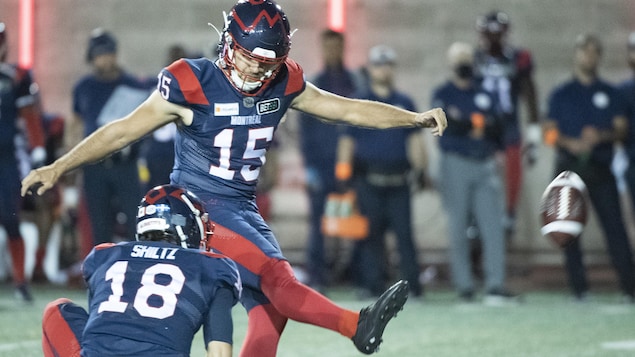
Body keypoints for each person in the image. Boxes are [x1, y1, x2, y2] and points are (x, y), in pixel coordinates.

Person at [22, 1, 446, 355]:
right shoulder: (192, 80)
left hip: (241, 207)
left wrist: (412, 118)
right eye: (247, 57)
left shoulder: (284, 80)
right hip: (197, 209)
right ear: (228, 43)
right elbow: (121, 130)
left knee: (271, 307)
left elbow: (348, 108)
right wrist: (59, 166)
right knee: (278, 281)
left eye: (266, 63)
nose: (255, 71)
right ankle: (357, 325)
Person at [41, 184, 241, 357]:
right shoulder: (212, 266)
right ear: (187, 224)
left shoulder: (105, 256)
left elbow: (96, 328)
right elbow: (219, 351)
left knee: (57, 309)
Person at [544, 33, 635, 302]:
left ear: (600, 57)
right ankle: (579, 288)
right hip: (568, 170)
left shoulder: (611, 93)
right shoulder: (561, 94)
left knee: (614, 228)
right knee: (567, 229)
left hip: (600, 167)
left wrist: (600, 137)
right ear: (576, 54)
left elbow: (621, 131)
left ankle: (629, 287)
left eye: (594, 52)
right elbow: (548, 132)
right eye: (584, 51)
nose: (589, 56)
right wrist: (568, 142)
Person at [431, 42, 519, 304]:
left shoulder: (485, 91)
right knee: (458, 225)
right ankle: (465, 285)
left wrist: (467, 123)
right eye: (459, 58)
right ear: (450, 62)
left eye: (468, 57)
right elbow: (449, 126)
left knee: (493, 226)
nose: (464, 62)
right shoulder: (443, 93)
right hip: (455, 163)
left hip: (484, 163)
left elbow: (497, 127)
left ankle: (495, 284)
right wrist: (474, 124)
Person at [336, 45, 426, 298]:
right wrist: (343, 174)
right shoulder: (360, 101)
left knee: (405, 237)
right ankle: (370, 285)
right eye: (378, 64)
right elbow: (347, 141)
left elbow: (415, 140)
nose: (383, 69)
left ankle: (412, 288)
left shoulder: (404, 102)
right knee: (369, 237)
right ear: (371, 69)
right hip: (368, 180)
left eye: (387, 64)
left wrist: (421, 169)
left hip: (399, 181)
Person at [69, 28, 153, 246]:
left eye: (107, 53)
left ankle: (134, 271)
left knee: (136, 223)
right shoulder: (83, 87)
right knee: (99, 224)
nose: (104, 59)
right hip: (94, 164)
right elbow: (76, 125)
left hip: (126, 163)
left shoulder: (133, 85)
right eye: (99, 54)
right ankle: (101, 275)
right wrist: (72, 159)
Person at [298, 29, 360, 290]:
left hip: (354, 167)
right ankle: (318, 277)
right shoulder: (314, 84)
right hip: (321, 166)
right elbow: (305, 130)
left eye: (337, 46)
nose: (332, 51)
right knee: (318, 226)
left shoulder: (355, 84)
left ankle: (358, 276)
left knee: (357, 225)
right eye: (328, 46)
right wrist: (310, 167)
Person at [473, 10, 540, 237]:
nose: (493, 38)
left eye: (497, 33)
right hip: (482, 127)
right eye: (488, 33)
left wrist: (534, 135)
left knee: (512, 171)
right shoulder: (474, 59)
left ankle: (509, 214)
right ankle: (474, 217)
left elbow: (529, 94)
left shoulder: (518, 58)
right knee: (477, 172)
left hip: (508, 124)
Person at [0, 21, 47, 302]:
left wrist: (38, 147)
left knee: (11, 218)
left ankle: (20, 281)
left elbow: (30, 115)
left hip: (6, 158)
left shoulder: (16, 76)